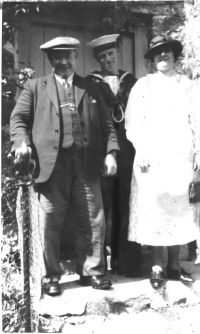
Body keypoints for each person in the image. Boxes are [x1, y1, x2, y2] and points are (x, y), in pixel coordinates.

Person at [10, 36, 120, 296]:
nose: (63, 61)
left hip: (86, 164)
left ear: (75, 57)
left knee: (93, 218)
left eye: (68, 56)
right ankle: (51, 275)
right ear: (50, 60)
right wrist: (22, 143)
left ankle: (92, 271)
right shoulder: (36, 87)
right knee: (50, 220)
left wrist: (111, 153)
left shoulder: (90, 86)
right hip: (51, 166)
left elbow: (107, 126)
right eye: (57, 57)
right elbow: (18, 120)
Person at [125, 35, 200, 288]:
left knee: (179, 208)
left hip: (180, 157)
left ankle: (175, 266)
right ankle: (157, 266)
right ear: (152, 59)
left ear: (174, 56)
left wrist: (198, 152)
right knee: (156, 208)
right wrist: (142, 149)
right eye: (158, 53)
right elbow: (133, 123)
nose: (163, 56)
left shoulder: (189, 86)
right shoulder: (142, 86)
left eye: (167, 51)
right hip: (152, 158)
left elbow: (197, 122)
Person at [87, 34, 141, 276]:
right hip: (103, 152)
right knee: (102, 208)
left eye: (110, 54)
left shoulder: (131, 82)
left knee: (126, 205)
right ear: (98, 60)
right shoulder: (90, 83)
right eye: (102, 57)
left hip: (129, 151)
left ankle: (126, 263)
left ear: (117, 54)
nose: (107, 60)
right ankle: (100, 265)